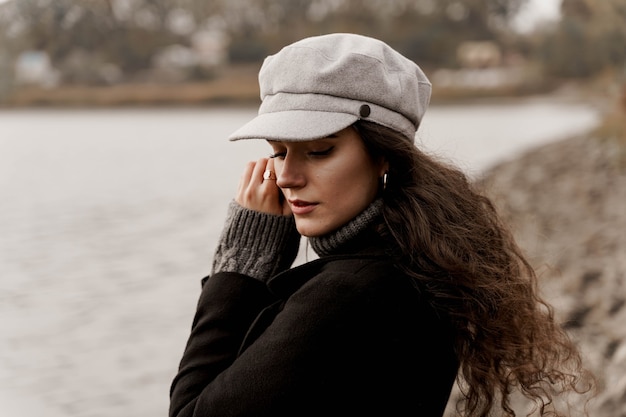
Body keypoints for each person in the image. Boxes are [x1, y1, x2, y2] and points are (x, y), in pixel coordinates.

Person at [169, 33, 593, 417]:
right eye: (278, 151)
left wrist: (238, 270)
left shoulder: (349, 294)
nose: (286, 176)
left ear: (384, 155)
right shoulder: (418, 258)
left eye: (318, 151)